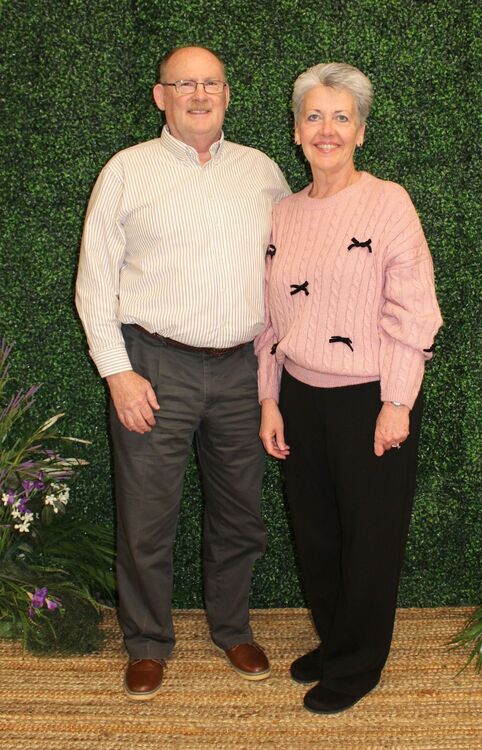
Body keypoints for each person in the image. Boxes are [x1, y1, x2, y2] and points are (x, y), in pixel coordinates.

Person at [75, 45, 289, 701]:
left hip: (240, 370)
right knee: (146, 519)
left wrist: (274, 377)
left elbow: (286, 272)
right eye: (184, 83)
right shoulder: (127, 170)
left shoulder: (262, 172)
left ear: (227, 94)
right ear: (160, 96)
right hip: (152, 365)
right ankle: (146, 642)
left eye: (211, 83)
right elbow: (94, 282)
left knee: (241, 514)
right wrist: (117, 372)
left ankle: (232, 628)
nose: (199, 94)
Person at [256, 62, 442, 715]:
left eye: (341, 117)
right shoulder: (283, 213)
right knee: (318, 535)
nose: (326, 129)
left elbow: (415, 311)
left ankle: (358, 663)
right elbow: (270, 318)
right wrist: (270, 398)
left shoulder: (388, 203)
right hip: (300, 397)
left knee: (370, 538)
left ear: (360, 131)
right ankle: (337, 640)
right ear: (296, 130)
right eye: (314, 116)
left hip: (371, 395)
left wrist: (397, 402)